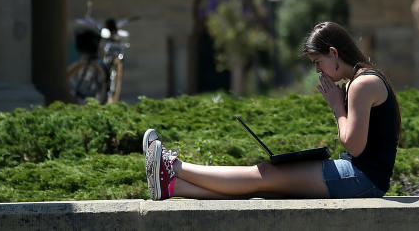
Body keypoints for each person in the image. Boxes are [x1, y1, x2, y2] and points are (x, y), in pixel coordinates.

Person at [143, 21, 402, 199]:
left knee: (266, 173)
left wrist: (336, 107)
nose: (317, 71)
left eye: (317, 62)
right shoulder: (358, 81)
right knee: (268, 186)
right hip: (359, 176)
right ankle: (173, 187)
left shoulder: (363, 83)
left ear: (333, 53)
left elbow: (354, 146)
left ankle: (173, 167)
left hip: (362, 180)